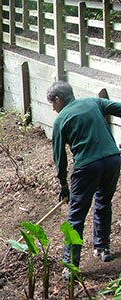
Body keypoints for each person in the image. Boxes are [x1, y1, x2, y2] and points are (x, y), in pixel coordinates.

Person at [47, 81, 121, 277]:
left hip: (87, 166)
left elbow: (59, 156)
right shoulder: (94, 102)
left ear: (58, 99)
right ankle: (102, 248)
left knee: (76, 216)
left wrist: (63, 183)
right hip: (113, 160)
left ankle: (70, 265)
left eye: (52, 103)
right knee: (104, 203)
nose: (52, 108)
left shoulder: (60, 120)